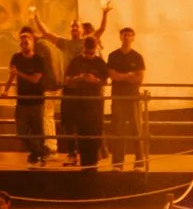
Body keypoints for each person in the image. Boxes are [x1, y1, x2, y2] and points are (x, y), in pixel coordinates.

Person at [60, 34, 107, 178]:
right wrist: (79, 78)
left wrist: (94, 80)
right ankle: (84, 164)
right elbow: (66, 80)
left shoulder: (100, 62)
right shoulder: (76, 61)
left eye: (92, 53)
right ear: (83, 49)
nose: (89, 56)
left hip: (95, 105)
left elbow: (105, 80)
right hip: (79, 104)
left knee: (94, 134)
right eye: (87, 53)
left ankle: (93, 164)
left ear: (96, 49)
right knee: (82, 134)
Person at [11, 26, 54, 166]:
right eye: (22, 39)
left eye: (27, 39)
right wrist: (5, 89)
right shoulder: (16, 57)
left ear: (33, 41)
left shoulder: (39, 60)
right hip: (22, 100)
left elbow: (35, 79)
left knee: (38, 131)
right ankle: (40, 152)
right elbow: (12, 74)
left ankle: (37, 154)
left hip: (36, 100)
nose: (25, 42)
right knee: (21, 132)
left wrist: (19, 74)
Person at [107, 31, 149, 173]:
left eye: (129, 35)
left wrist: (122, 76)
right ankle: (117, 164)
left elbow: (139, 79)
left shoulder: (137, 57)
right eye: (124, 34)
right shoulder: (113, 56)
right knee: (117, 130)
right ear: (120, 37)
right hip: (118, 97)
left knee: (136, 129)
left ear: (133, 38)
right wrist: (129, 75)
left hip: (132, 98)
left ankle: (139, 163)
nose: (126, 37)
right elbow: (113, 76)